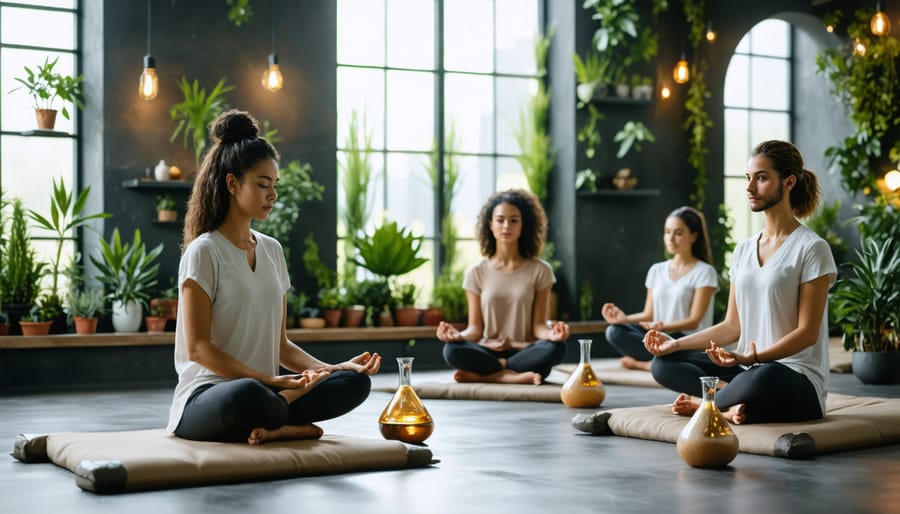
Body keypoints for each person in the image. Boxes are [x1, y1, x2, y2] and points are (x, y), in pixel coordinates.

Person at [166, 109, 381, 445]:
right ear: (232, 184)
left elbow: (281, 346)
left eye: (274, 185)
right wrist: (270, 381)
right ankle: (288, 423)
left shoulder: (272, 250)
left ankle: (277, 420)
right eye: (263, 184)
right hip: (209, 397)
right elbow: (198, 349)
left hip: (269, 390)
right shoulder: (204, 251)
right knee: (249, 395)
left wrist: (331, 368)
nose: (273, 195)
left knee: (353, 383)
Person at [644, 140, 836, 425]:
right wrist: (676, 345)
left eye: (761, 178)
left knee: (765, 374)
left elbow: (807, 333)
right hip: (747, 369)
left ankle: (708, 404)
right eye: (748, 178)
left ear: (789, 182)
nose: (749, 187)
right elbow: (732, 326)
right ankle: (733, 405)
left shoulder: (811, 248)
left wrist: (752, 356)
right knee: (663, 364)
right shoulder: (744, 250)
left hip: (794, 377)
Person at [435, 189, 569, 385]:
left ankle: (491, 374)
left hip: (524, 350)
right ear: (490, 224)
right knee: (451, 350)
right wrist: (457, 336)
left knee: (556, 349)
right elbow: (475, 329)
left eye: (514, 220)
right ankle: (508, 375)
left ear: (524, 225)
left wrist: (553, 334)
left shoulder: (541, 270)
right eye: (500, 220)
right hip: (488, 349)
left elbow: (539, 326)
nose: (507, 226)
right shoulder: (476, 272)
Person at [601, 206, 718, 371]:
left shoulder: (705, 272)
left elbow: (694, 322)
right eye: (667, 232)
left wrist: (662, 327)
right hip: (659, 335)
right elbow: (649, 314)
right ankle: (662, 361)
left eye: (678, 233)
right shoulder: (657, 270)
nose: (670, 239)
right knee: (614, 331)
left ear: (693, 236)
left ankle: (647, 364)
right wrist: (623, 319)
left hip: (686, 339)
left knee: (671, 346)